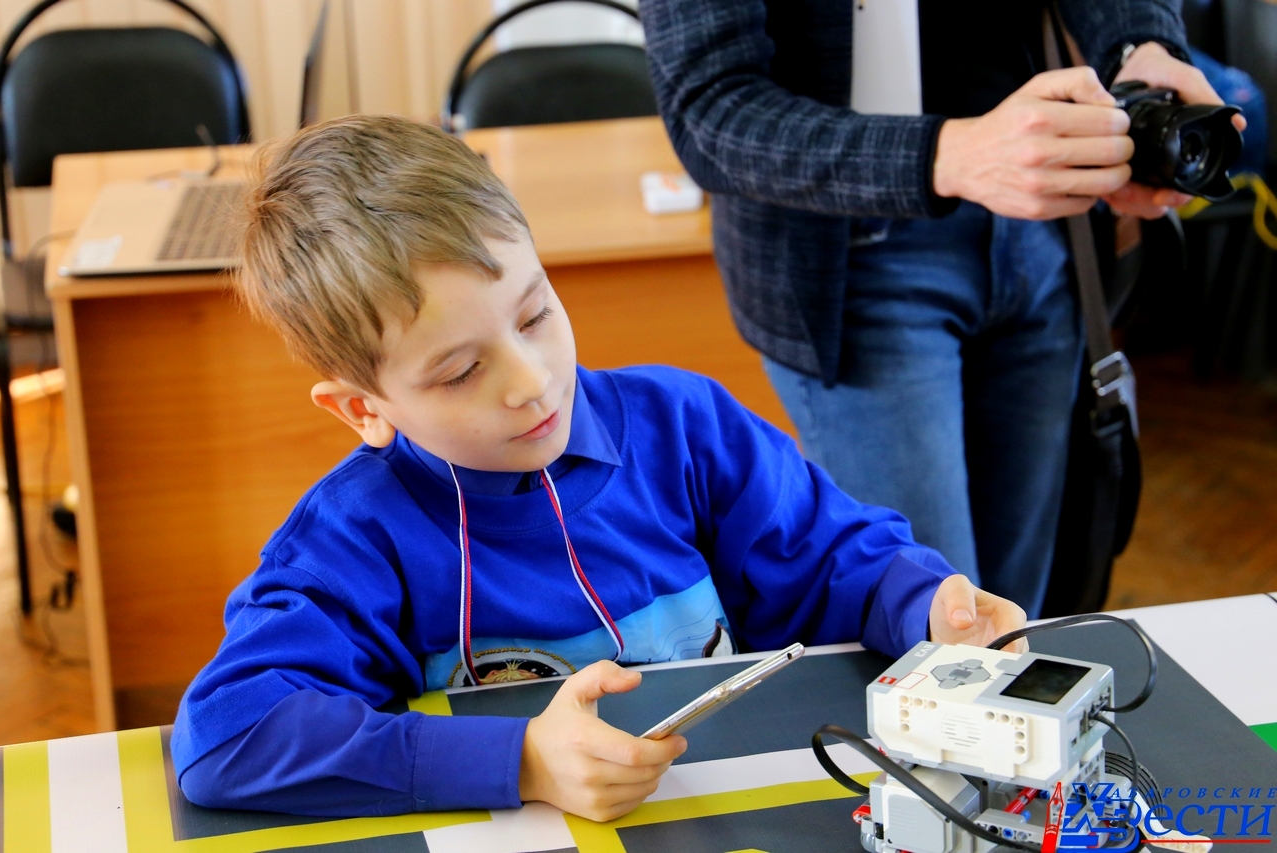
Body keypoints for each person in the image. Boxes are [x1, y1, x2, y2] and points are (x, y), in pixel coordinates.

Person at [170, 115, 1027, 821]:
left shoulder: (685, 425)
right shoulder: (354, 537)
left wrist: (924, 602)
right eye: (461, 371)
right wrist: (521, 760)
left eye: (534, 314)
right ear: (364, 409)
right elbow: (224, 736)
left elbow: (832, 557)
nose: (531, 381)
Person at [640, 0, 1243, 617]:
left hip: (1045, 222)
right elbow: (709, 109)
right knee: (934, 623)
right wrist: (950, 155)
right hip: (857, 254)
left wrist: (1140, 44)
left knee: (1016, 610)